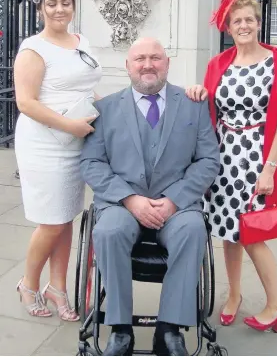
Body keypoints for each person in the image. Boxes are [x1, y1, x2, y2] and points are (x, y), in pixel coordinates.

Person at [80, 37, 220, 355]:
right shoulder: (105, 109)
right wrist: (130, 199)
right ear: (127, 66)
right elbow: (91, 163)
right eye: (140, 58)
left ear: (167, 64)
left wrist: (174, 200)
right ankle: (120, 328)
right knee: (108, 230)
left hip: (177, 205)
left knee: (193, 229)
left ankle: (169, 329)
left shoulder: (193, 105)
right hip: (122, 203)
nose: (148, 64)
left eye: (155, 58)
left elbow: (208, 160)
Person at [186, 0, 277, 333]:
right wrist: (196, 92)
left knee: (253, 235)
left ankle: (275, 306)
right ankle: (233, 295)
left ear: (258, 22)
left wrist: (269, 169)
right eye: (238, 21)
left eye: (250, 19)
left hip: (259, 158)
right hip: (225, 158)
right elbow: (209, 108)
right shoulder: (218, 63)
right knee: (230, 234)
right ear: (228, 25)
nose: (245, 26)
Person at [14, 0, 102, 320]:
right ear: (40, 9)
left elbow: (86, 88)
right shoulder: (33, 49)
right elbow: (26, 102)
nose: (60, 9)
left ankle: (58, 287)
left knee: (66, 217)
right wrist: (71, 125)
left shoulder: (82, 42)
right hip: (45, 144)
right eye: (52, 3)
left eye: (66, 2)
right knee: (50, 222)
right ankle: (28, 283)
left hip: (75, 142)